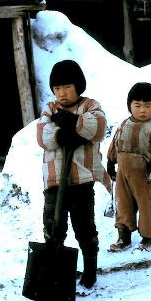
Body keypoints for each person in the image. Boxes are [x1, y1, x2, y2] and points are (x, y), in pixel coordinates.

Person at [36, 59, 108, 289]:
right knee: (53, 227)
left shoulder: (90, 106)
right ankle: (54, 271)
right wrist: (63, 135)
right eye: (57, 88)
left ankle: (90, 271)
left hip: (81, 181)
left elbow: (98, 127)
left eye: (67, 87)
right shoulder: (50, 109)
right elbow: (43, 136)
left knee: (85, 228)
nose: (62, 93)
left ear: (78, 86)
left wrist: (74, 122)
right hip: (55, 181)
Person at [106, 82, 151, 252]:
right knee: (123, 205)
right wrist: (110, 162)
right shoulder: (124, 125)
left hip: (146, 176)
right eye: (137, 105)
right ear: (130, 106)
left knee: (147, 205)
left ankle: (147, 238)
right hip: (123, 175)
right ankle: (124, 237)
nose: (142, 110)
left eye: (147, 106)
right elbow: (115, 144)